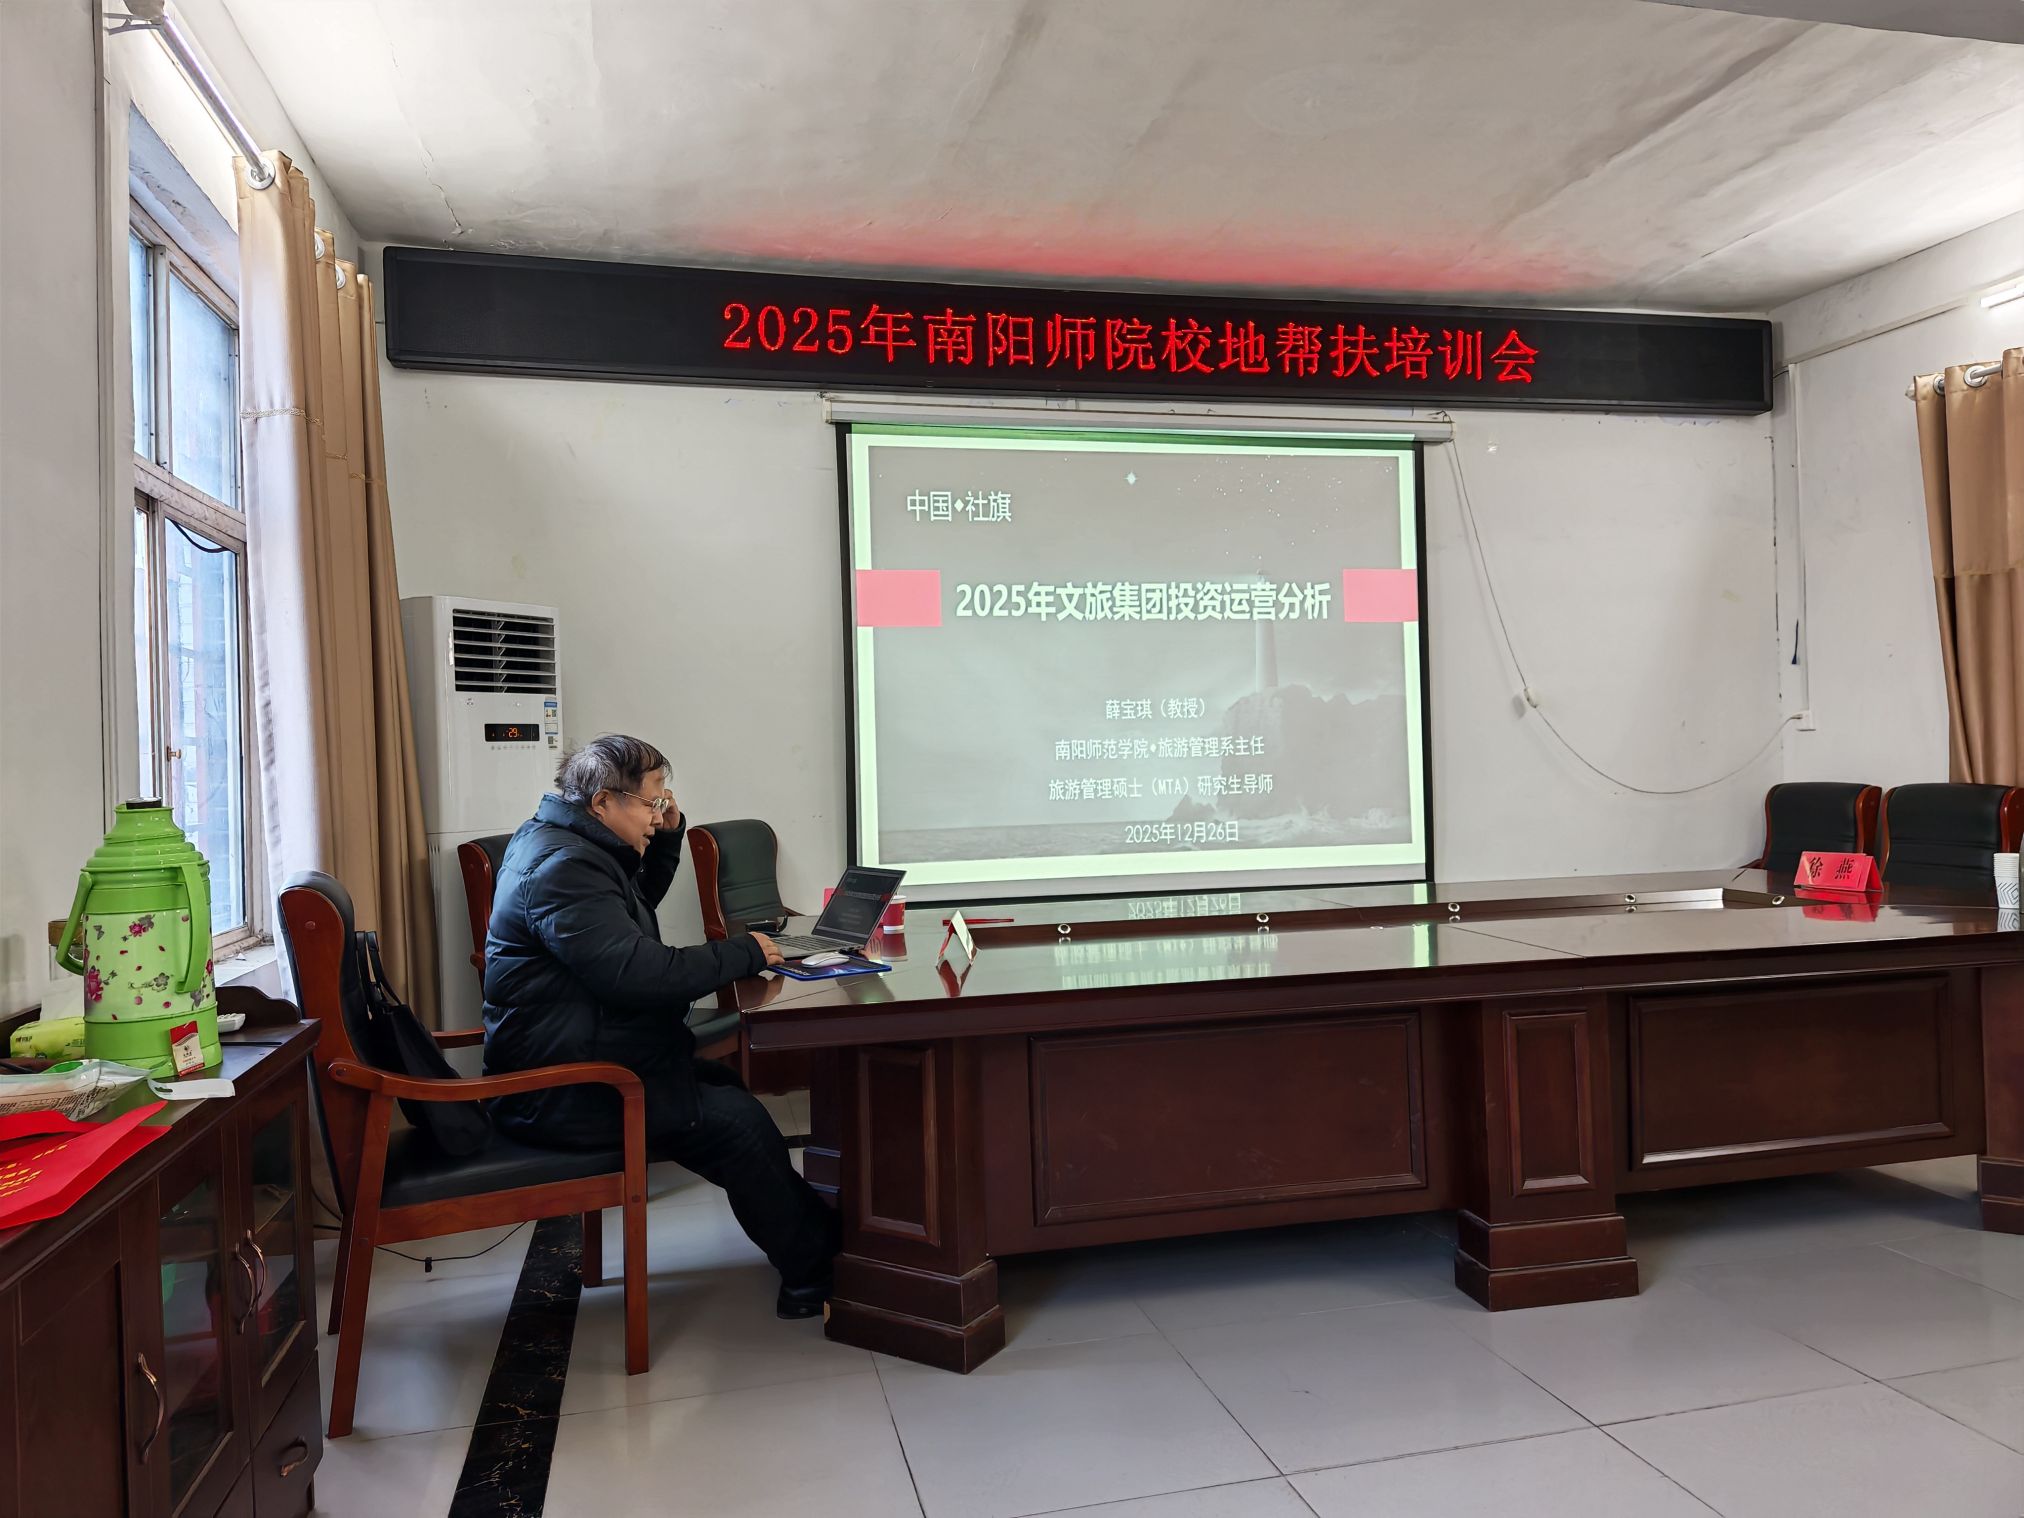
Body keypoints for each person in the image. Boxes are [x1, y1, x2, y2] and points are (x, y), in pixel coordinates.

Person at [482, 733, 839, 1317]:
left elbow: (626, 908)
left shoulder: (558, 842)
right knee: (737, 1125)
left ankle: (815, 1241)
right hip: (565, 1089)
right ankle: (817, 1274)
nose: (659, 814)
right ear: (602, 802)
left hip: (583, 1061)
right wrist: (746, 951)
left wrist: (666, 839)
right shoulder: (563, 867)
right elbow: (637, 973)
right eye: (652, 802)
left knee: (724, 1092)